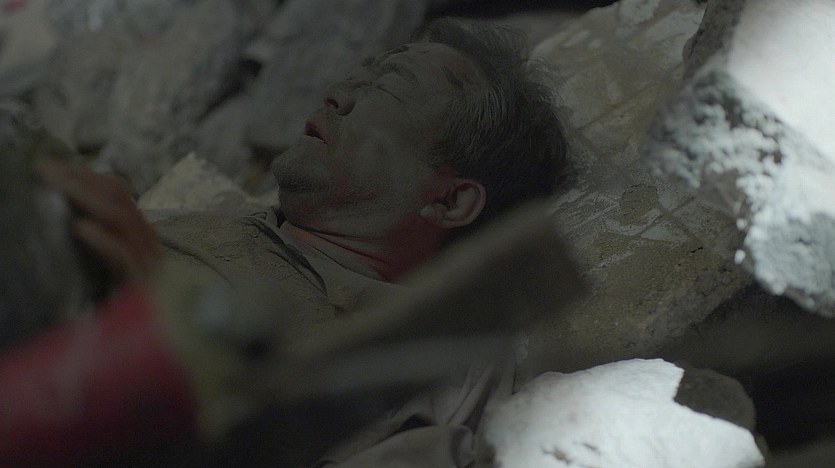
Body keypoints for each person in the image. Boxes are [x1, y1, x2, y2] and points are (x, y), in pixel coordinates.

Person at [0, 18, 567, 466]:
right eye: (359, 75)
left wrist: (157, 323)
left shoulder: (426, 354)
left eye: (387, 89)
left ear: (449, 201)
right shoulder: (217, 224)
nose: (337, 94)